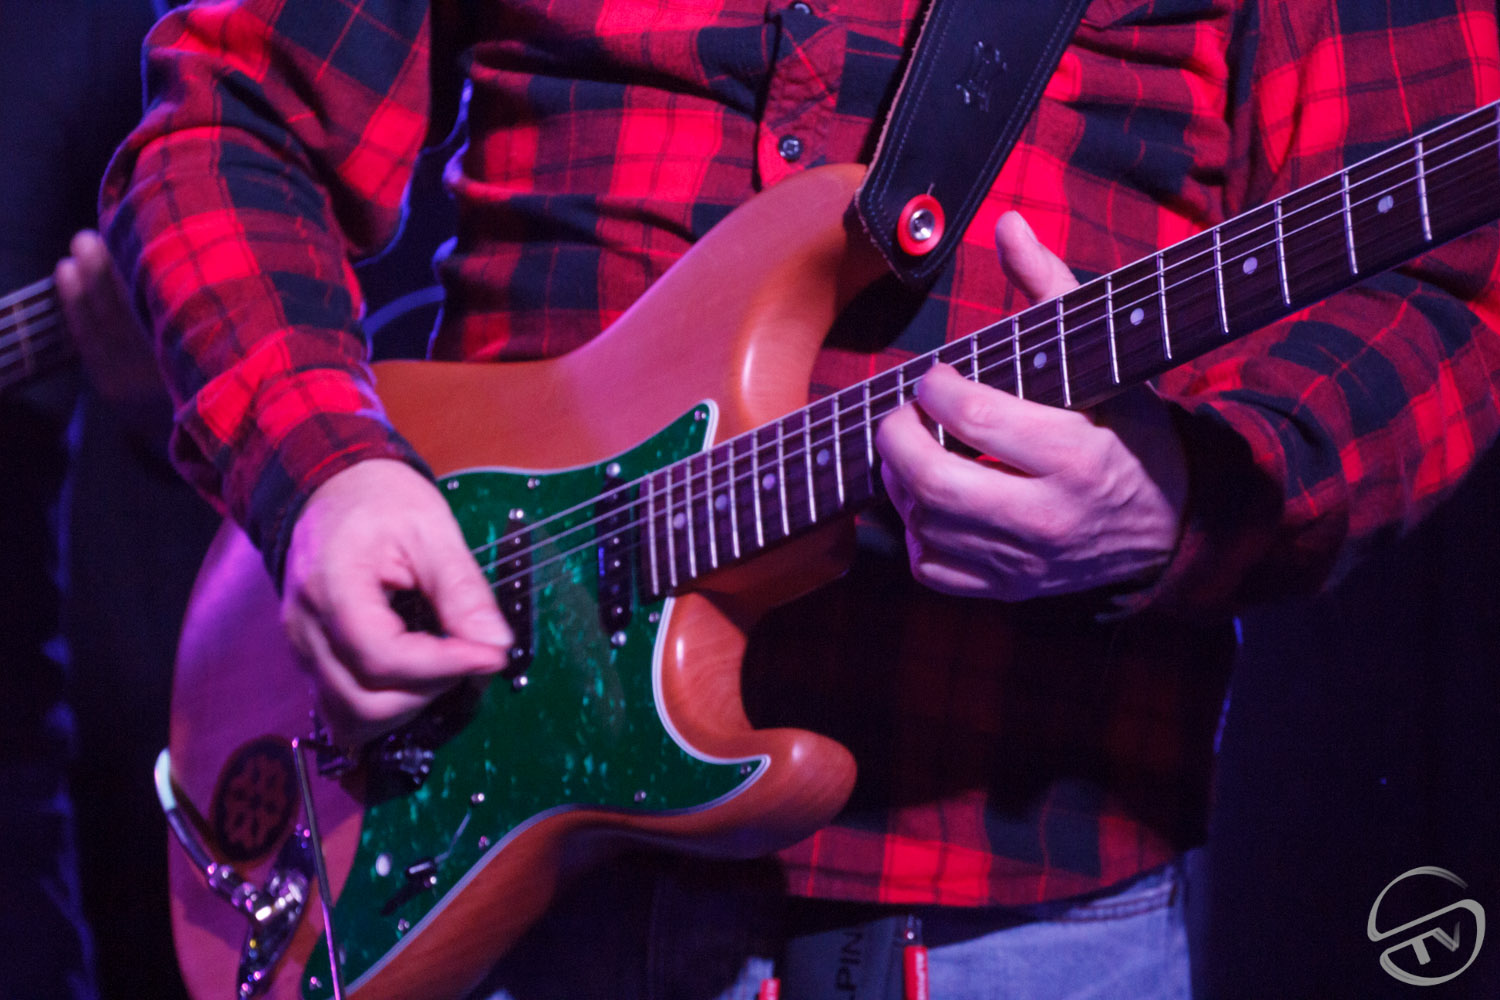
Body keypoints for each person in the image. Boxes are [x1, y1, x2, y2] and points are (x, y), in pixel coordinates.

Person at [100, 0, 1500, 996]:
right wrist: (323, 470)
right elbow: (231, 111)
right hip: (458, 815)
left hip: (1007, 907)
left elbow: (1440, 285)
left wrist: (1184, 500)